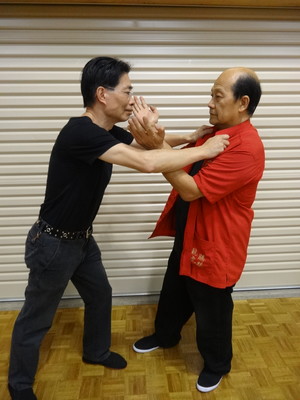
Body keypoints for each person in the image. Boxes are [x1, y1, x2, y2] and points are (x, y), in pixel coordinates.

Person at [7, 56, 229, 400]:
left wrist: (192, 137)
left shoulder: (105, 131)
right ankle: (19, 385)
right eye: (127, 91)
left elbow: (146, 143)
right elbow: (146, 161)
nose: (131, 99)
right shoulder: (80, 132)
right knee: (37, 316)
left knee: (100, 295)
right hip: (52, 244)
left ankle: (95, 353)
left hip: (81, 241)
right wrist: (207, 150)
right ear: (102, 95)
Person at [130, 67, 265, 393]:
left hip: (217, 244)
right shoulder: (215, 133)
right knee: (174, 288)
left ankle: (217, 363)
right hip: (190, 232)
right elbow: (180, 159)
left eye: (217, 97)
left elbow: (190, 188)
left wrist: (154, 145)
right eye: (211, 95)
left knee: (212, 307)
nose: (209, 103)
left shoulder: (246, 148)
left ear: (242, 102)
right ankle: (166, 335)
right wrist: (156, 139)